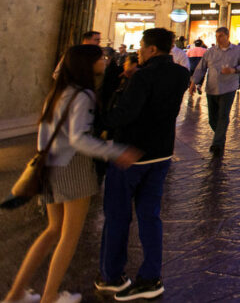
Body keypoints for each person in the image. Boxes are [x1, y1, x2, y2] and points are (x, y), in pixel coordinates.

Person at [5, 45, 139, 303]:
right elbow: (78, 139)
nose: (105, 60)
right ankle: (50, 296)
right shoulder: (83, 95)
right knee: (68, 236)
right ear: (86, 64)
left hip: (49, 164)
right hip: (73, 166)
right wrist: (115, 152)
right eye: (100, 58)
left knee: (52, 230)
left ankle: (15, 294)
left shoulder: (57, 92)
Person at [96, 28, 190, 301]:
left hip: (131, 154)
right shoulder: (181, 74)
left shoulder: (143, 77)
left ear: (151, 49)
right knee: (150, 215)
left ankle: (112, 276)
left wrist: (101, 121)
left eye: (141, 46)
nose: (138, 50)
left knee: (117, 215)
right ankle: (150, 277)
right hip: (161, 153)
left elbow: (126, 114)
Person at [189, 27, 240, 157]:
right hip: (212, 88)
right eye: (217, 36)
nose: (218, 38)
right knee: (212, 119)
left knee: (223, 115)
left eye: (221, 36)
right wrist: (193, 83)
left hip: (229, 88)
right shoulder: (210, 52)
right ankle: (220, 135)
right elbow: (201, 68)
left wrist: (234, 70)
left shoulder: (238, 50)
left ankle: (218, 143)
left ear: (227, 36)